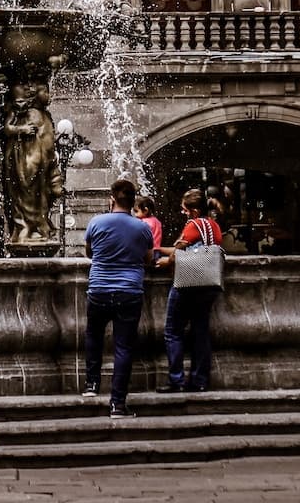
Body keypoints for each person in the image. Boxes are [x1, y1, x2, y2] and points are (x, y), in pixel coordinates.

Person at [83, 178, 156, 418]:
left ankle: (92, 385)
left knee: (94, 335)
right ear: (133, 201)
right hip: (129, 291)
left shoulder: (96, 222)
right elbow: (147, 259)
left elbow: (90, 252)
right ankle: (117, 404)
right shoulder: (143, 228)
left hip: (99, 289)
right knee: (124, 347)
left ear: (112, 198)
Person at [153, 190, 223, 393]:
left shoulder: (193, 225)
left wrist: (166, 260)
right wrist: (158, 248)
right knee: (201, 332)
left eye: (185, 209)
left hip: (188, 283)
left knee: (173, 332)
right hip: (209, 283)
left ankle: (176, 380)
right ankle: (199, 381)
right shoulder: (214, 225)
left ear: (194, 211)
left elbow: (178, 252)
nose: (183, 213)